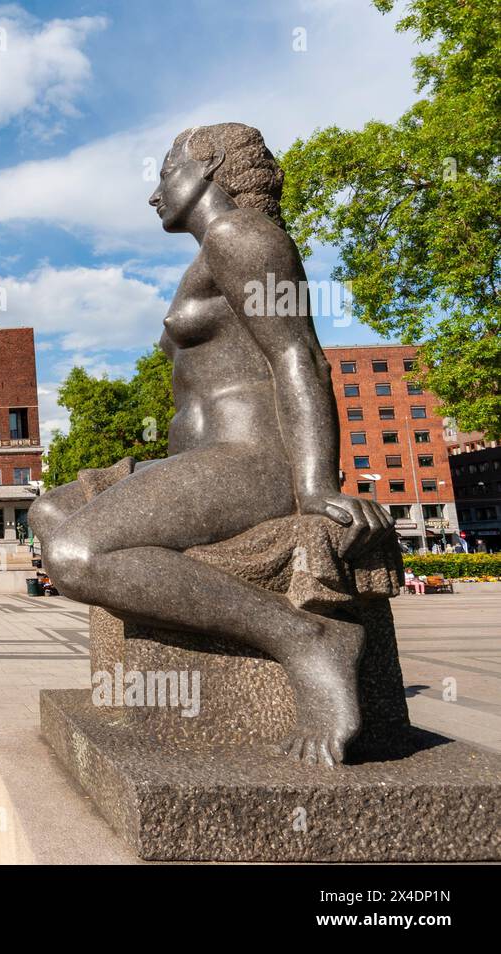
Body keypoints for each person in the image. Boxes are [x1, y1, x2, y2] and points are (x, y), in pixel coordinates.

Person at [29, 123, 394, 768]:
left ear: (208, 167)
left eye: (165, 169)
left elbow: (298, 356)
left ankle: (304, 639)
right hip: (197, 462)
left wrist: (314, 485)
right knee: (50, 509)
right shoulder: (211, 254)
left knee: (74, 551)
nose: (154, 193)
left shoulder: (242, 236)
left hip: (250, 460)